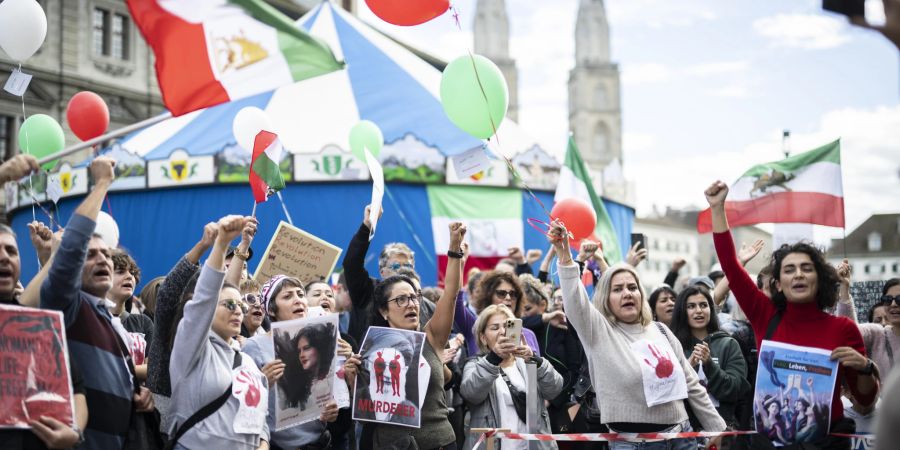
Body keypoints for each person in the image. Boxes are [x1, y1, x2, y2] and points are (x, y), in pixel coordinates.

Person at [704, 180, 878, 448]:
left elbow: (865, 402)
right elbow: (730, 265)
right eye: (789, 269)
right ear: (778, 283)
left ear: (819, 279)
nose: (798, 274)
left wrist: (864, 367)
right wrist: (718, 208)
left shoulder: (844, 328)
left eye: (806, 268)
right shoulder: (764, 314)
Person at [549, 220, 726, 450]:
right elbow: (574, 301)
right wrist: (565, 255)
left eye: (632, 287)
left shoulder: (661, 331)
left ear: (641, 294)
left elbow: (690, 382)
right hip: (630, 444)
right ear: (605, 297)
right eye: (618, 289)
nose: (627, 294)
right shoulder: (599, 332)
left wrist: (716, 427)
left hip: (680, 438)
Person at [40, 157, 153, 449]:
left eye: (106, 254)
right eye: (90, 255)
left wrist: (136, 391)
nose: (102, 258)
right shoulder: (69, 303)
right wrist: (102, 183)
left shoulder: (108, 316)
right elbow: (70, 249)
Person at [344, 222, 466, 450]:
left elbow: (450, 293)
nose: (411, 304)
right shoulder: (370, 351)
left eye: (413, 298)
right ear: (383, 310)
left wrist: (454, 249)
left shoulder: (431, 337)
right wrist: (352, 381)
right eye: (401, 300)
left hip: (440, 443)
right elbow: (364, 412)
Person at [167, 215, 269, 450]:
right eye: (229, 305)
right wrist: (222, 244)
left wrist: (263, 443)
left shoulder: (248, 362)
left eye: (240, 306)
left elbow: (259, 418)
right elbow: (205, 296)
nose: (238, 312)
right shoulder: (192, 349)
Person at [0, 212, 90, 450]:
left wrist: (74, 432)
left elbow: (77, 388)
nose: (3, 258)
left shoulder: (40, 325)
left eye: (11, 251)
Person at [242, 276, 338, 450]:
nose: (297, 300)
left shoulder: (314, 343)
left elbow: (318, 393)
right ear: (271, 310)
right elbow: (242, 403)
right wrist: (262, 381)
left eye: (300, 294)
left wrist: (329, 410)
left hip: (320, 442)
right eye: (287, 296)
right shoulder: (253, 346)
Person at [460, 305, 564, 450]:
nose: (503, 332)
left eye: (507, 326)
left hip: (533, 446)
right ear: (483, 338)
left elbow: (555, 389)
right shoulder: (475, 365)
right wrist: (494, 359)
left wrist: (535, 360)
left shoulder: (527, 362)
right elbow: (471, 394)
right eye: (495, 328)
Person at [146, 222, 218, 434]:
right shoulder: (167, 329)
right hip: (165, 419)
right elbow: (169, 290)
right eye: (197, 297)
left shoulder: (217, 336)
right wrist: (203, 245)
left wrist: (242, 249)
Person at [669, 286, 749, 430]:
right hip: (684, 431)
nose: (699, 310)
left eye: (704, 305)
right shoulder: (673, 345)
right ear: (682, 311)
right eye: (691, 306)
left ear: (711, 310)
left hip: (723, 428)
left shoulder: (728, 344)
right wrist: (688, 368)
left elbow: (735, 390)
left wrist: (710, 365)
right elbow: (667, 393)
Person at [835, 274, 899, 381]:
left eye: (899, 299)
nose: (893, 304)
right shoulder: (878, 334)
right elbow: (849, 331)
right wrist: (844, 288)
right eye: (887, 299)